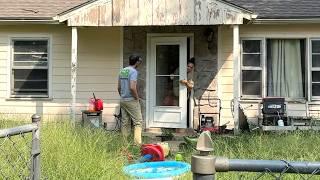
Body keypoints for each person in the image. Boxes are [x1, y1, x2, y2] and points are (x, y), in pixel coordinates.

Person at [118, 54, 143, 145]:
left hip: (122, 99)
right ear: (136, 62)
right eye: (139, 61)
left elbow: (119, 87)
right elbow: (132, 87)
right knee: (138, 122)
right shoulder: (133, 71)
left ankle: (124, 144)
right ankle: (137, 144)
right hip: (131, 100)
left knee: (125, 122)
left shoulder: (122, 71)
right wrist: (136, 98)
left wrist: (123, 96)